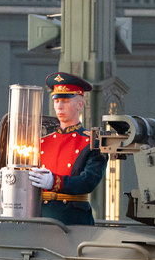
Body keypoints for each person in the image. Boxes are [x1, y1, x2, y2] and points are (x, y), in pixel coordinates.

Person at [34, 71, 105, 225]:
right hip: (40, 217)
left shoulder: (91, 142)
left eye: (65, 100)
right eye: (56, 100)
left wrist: (54, 182)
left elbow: (88, 182)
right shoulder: (42, 142)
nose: (59, 106)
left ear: (80, 104)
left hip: (73, 219)